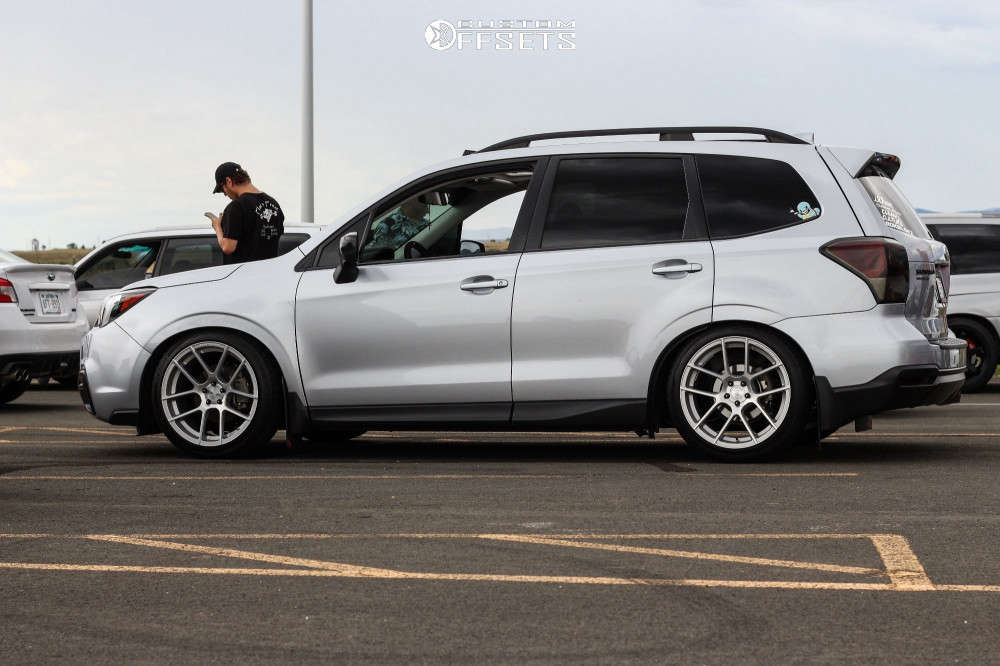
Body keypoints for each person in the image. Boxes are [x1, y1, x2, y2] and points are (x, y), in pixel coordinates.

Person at [204, 162, 285, 264]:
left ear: (228, 181)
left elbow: (227, 247)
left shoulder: (236, 207)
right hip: (270, 272)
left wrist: (218, 228)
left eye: (222, 189)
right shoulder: (274, 204)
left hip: (244, 275)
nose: (225, 194)